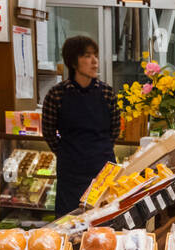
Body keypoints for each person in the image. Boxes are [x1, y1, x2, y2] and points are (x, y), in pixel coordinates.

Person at [42, 36, 120, 215]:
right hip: (71, 172)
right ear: (73, 62)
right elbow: (48, 132)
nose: (94, 62)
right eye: (87, 56)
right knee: (69, 223)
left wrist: (99, 149)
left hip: (103, 170)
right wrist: (66, 153)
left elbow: (115, 130)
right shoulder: (57, 94)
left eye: (95, 56)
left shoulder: (107, 92)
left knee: (105, 220)